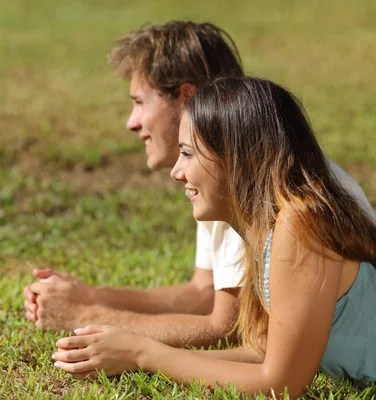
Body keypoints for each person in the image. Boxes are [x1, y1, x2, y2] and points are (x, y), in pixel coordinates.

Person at [22, 21, 375, 349]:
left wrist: (85, 318)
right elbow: (204, 291)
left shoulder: (254, 186)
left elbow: (227, 326)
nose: (131, 123)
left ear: (187, 97)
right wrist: (93, 296)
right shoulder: (228, 172)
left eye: (139, 102)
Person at [51, 77, 376, 397]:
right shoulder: (266, 231)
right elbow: (261, 351)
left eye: (189, 154)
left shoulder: (300, 226)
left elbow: (281, 384)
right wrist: (134, 356)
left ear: (237, 158)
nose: (176, 172)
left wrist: (143, 353)